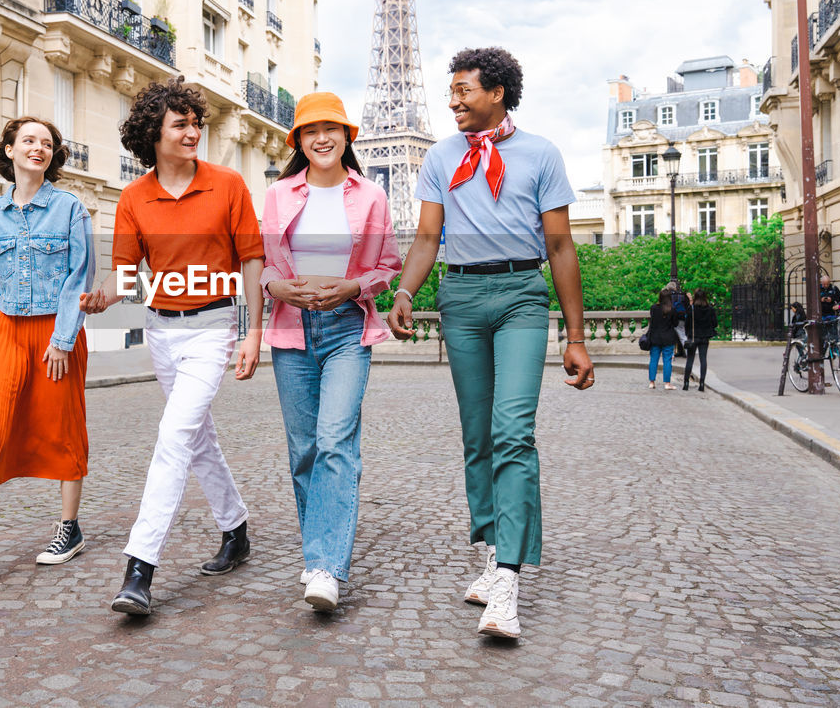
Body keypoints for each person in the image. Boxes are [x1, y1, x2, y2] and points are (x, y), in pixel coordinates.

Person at [385, 47, 594, 640]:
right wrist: (405, 293)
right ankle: (493, 546)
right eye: (451, 90)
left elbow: (560, 248)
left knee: (512, 430)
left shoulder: (540, 154)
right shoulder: (440, 157)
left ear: (497, 92)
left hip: (523, 295)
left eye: (463, 90)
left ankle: (508, 577)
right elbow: (428, 236)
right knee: (477, 435)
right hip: (461, 299)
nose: (452, 100)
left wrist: (574, 337)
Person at [80, 77, 264, 617]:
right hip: (162, 330)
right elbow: (126, 275)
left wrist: (252, 331)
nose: (193, 132)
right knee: (197, 438)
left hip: (213, 327)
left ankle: (140, 568)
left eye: (195, 122)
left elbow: (251, 261)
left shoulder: (228, 185)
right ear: (153, 135)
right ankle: (236, 529)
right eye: (179, 124)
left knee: (173, 435)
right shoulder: (135, 197)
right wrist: (102, 299)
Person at [260, 92, 401, 611]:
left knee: (335, 441)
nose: (322, 138)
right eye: (310, 130)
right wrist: (277, 289)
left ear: (347, 137)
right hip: (291, 330)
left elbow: (387, 265)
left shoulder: (370, 196)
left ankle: (325, 567)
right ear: (297, 140)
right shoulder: (277, 196)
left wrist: (353, 288)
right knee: (304, 451)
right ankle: (317, 546)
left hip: (346, 330)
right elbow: (267, 266)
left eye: (332, 128)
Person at [0, 116, 94, 586]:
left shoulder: (70, 209)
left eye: (46, 144)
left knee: (62, 424)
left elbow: (80, 276)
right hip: (5, 332)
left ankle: (68, 528)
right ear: (8, 150)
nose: (38, 149)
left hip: (55, 331)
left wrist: (64, 338)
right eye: (28, 141)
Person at [682, 288, 717, 392]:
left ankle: (686, 383)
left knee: (690, 359)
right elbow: (715, 323)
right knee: (703, 359)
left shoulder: (691, 309)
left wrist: (688, 334)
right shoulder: (710, 309)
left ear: (695, 297)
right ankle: (702, 383)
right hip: (705, 337)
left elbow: (687, 323)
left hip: (693, 337)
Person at [646, 289, 680, 390]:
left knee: (653, 360)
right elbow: (675, 324)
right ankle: (667, 383)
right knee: (667, 361)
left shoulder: (654, 308)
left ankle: (652, 382)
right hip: (668, 338)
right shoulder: (672, 310)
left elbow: (652, 322)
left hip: (655, 337)